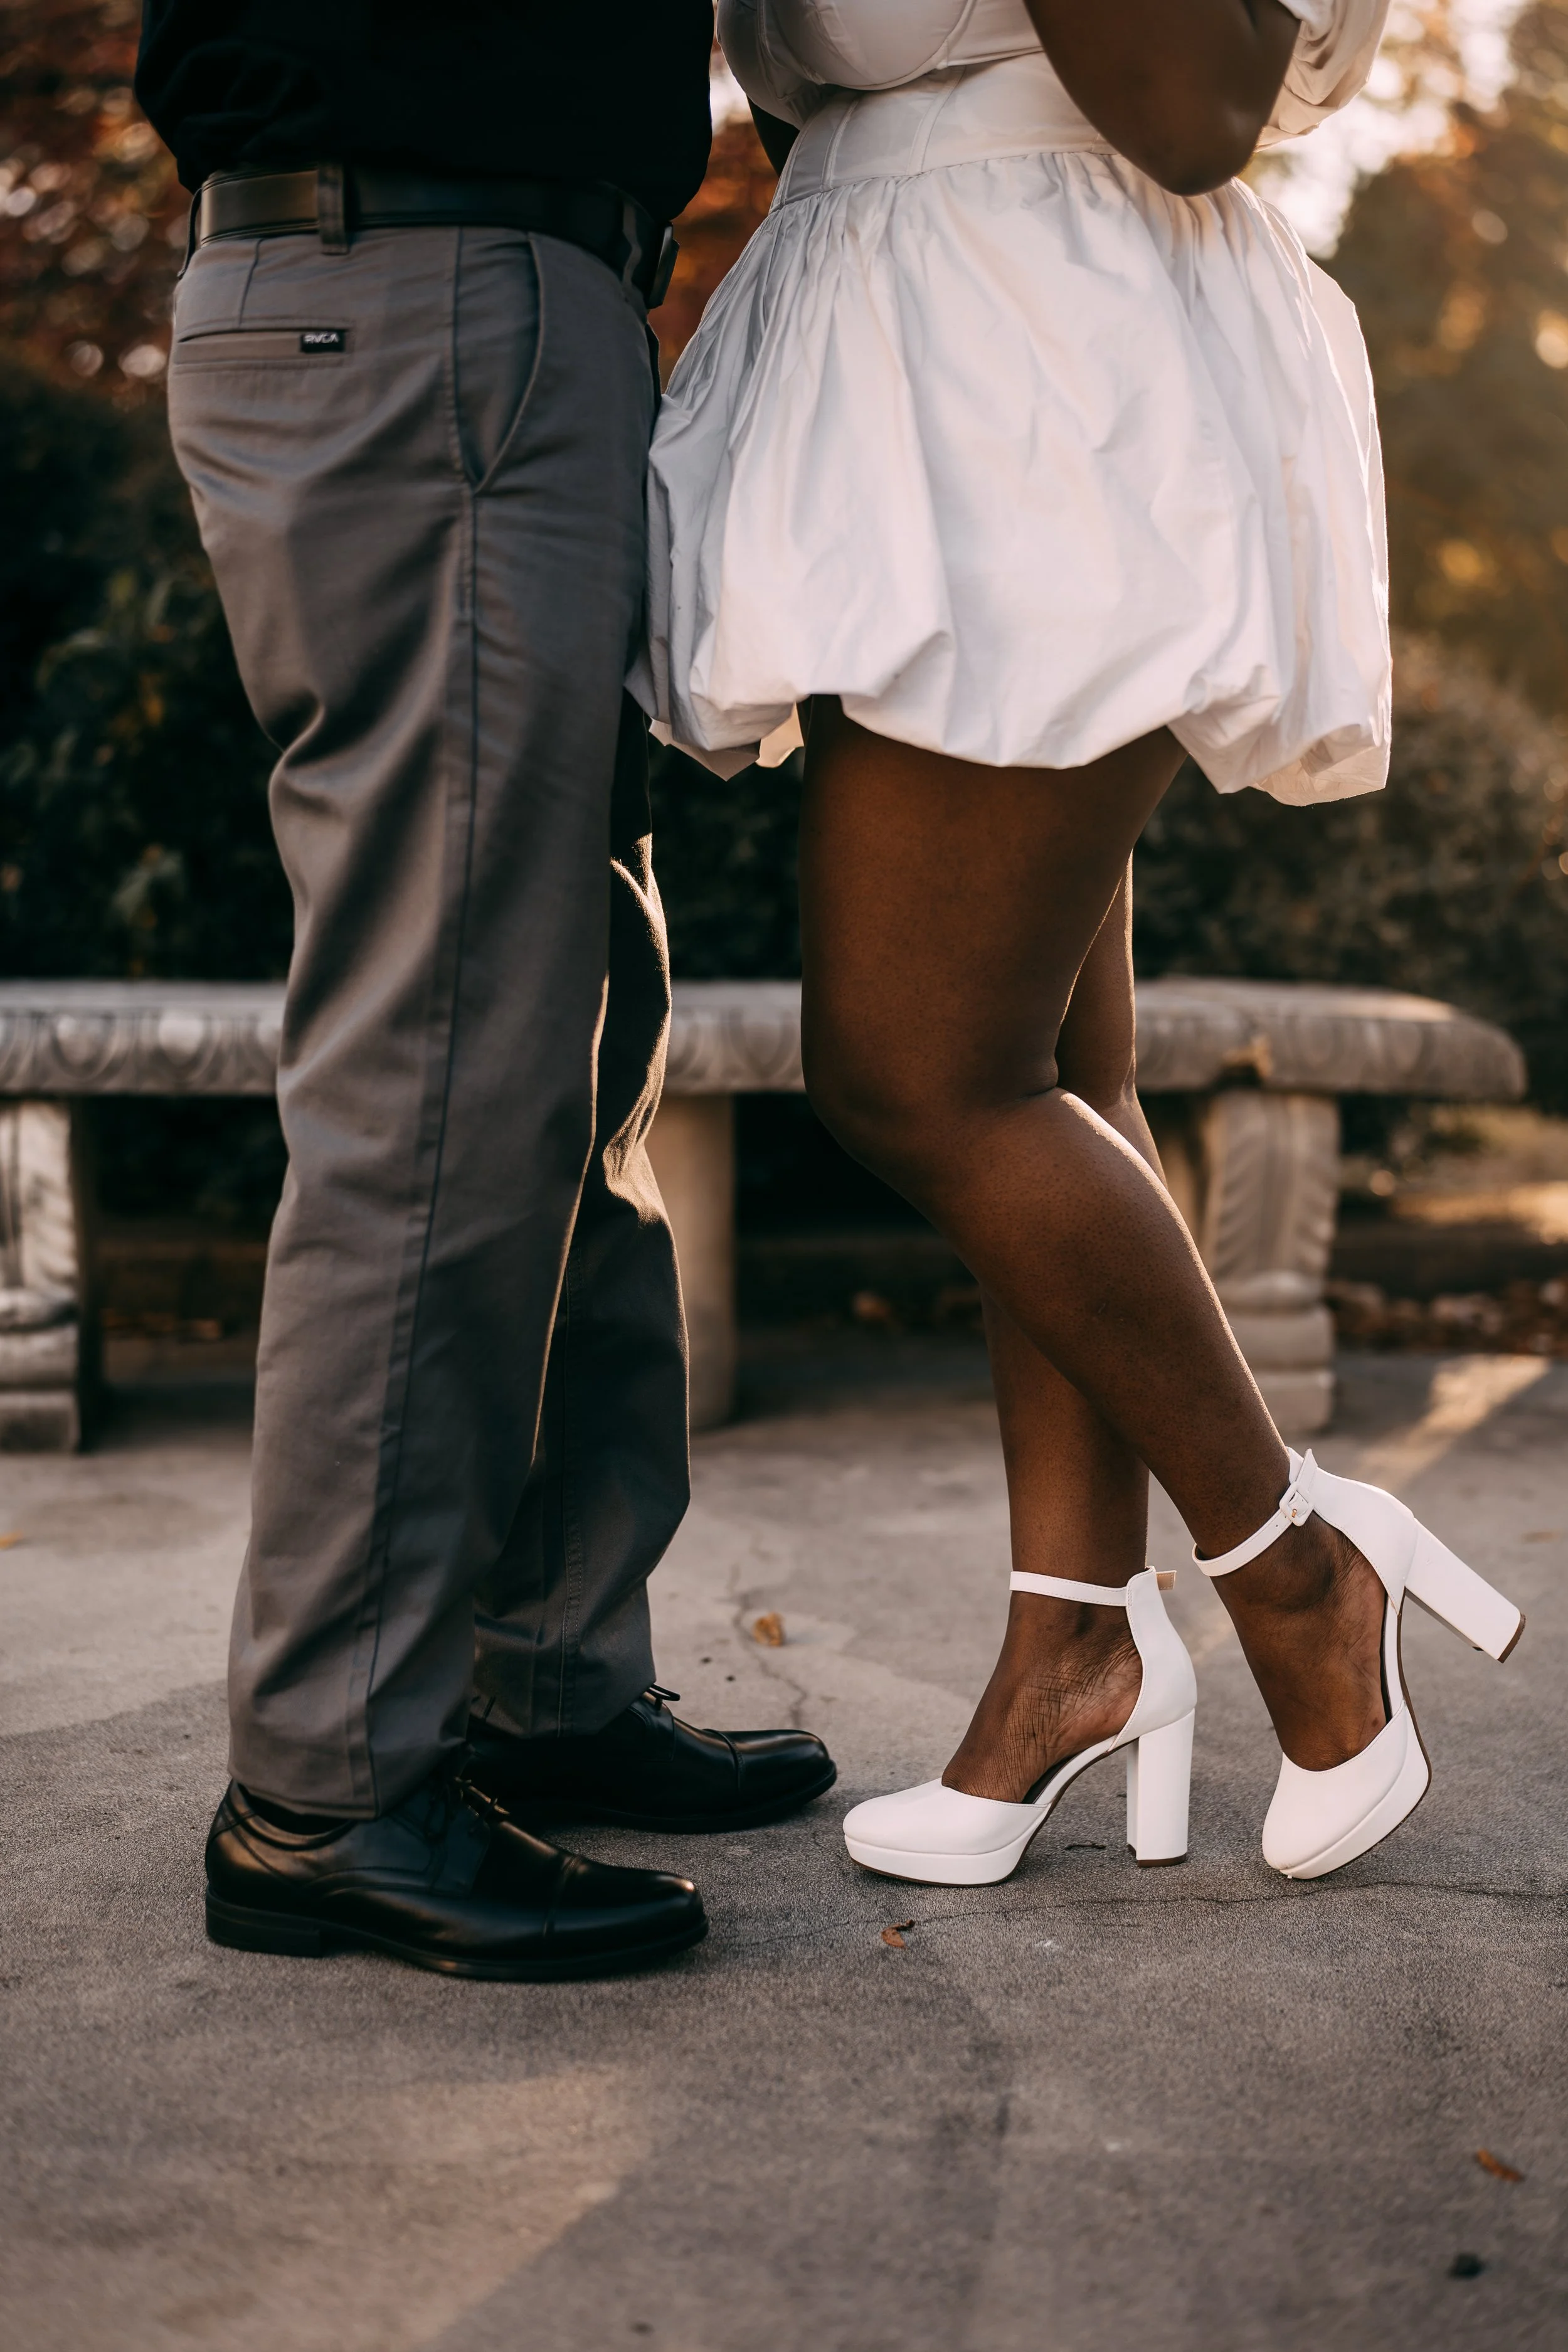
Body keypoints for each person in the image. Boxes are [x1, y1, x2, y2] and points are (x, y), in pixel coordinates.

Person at [640, 0, 1525, 1888]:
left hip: (1034, 354)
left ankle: (1295, 1564)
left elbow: (1190, 104)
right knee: (1054, 1071)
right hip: (912, 318)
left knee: (912, 1067)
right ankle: (1067, 1654)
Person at [134, 0, 835, 1980]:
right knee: (444, 1046)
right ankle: (330, 1784)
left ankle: (538, 1667)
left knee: (570, 1016)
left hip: (489, 294)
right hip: (421, 287)